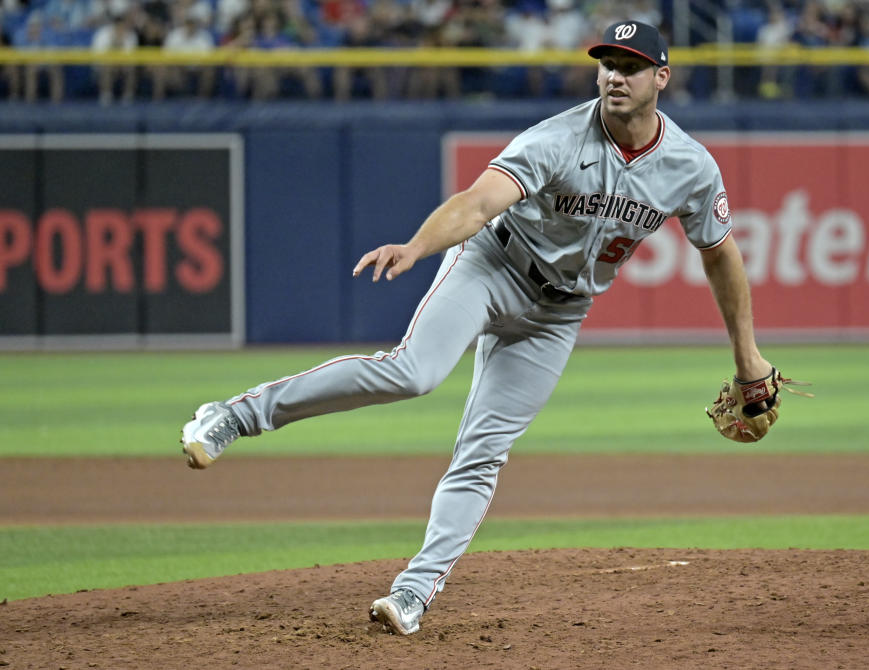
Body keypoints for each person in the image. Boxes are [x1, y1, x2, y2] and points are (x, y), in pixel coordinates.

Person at [181, 20, 775, 636]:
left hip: (558, 313)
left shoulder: (690, 167)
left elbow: (720, 254)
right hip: (493, 266)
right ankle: (234, 416)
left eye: (629, 66)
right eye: (606, 64)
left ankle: (412, 592)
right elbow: (478, 201)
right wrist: (416, 246)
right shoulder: (557, 137)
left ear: (661, 77)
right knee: (413, 372)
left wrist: (748, 357)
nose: (614, 77)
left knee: (484, 453)